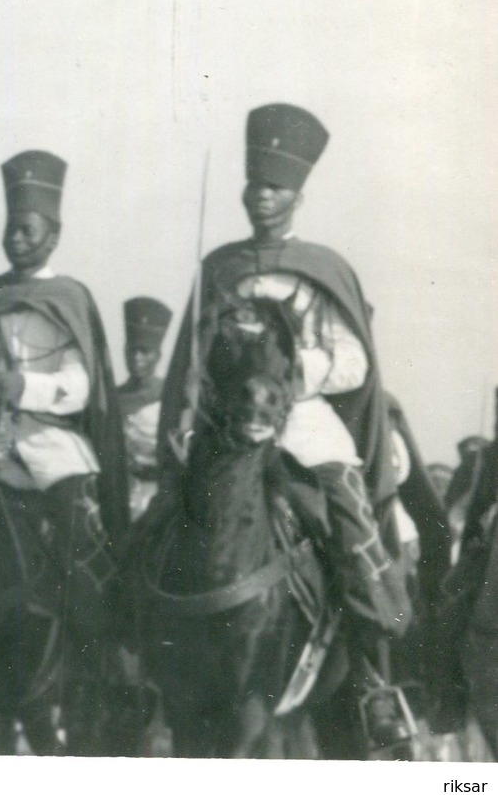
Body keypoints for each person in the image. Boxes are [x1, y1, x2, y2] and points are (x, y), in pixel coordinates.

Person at [156, 103, 416, 749]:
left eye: (273, 187)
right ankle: (132, 652)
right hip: (225, 426)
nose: (260, 197)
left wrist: (297, 371)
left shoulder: (321, 269)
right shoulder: (219, 267)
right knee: (160, 521)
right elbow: (189, 358)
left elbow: (354, 362)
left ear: (297, 195)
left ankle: (371, 684)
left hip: (301, 423)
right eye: (253, 185)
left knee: (348, 518)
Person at [0, 150, 129, 753]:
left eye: (28, 229)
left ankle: (92, 669)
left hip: (55, 449)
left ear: (53, 234)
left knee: (84, 546)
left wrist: (23, 386)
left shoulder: (70, 299)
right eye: (11, 228)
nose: (16, 239)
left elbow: (81, 385)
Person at [115, 296, 172, 521]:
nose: (136, 358)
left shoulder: (171, 396)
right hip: (119, 490)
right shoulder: (113, 397)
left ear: (158, 355)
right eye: (131, 350)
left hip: (158, 490)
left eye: (144, 351)